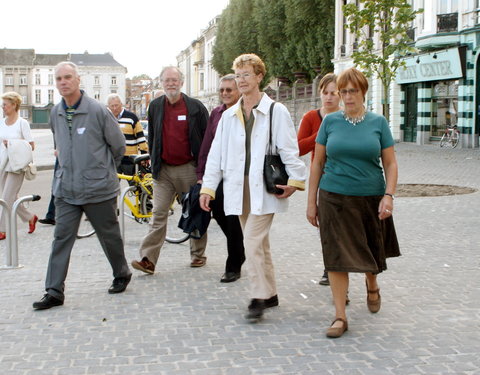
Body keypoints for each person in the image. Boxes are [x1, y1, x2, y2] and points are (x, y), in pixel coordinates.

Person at [199, 54, 306, 322]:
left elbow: (288, 148)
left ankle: (258, 296)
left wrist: (295, 180)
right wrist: (208, 188)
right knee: (260, 243)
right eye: (238, 75)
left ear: (259, 77)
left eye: (247, 74)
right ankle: (270, 294)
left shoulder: (275, 111)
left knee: (252, 240)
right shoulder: (228, 117)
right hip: (239, 187)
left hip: (264, 187)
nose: (242, 80)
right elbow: (216, 155)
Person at [306, 67, 400, 338]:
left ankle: (372, 284)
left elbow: (391, 163)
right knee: (336, 256)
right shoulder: (330, 122)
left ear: (363, 92)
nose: (347, 97)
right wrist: (311, 202)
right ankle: (339, 316)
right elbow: (318, 163)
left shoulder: (378, 123)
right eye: (343, 91)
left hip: (370, 197)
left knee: (371, 251)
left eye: (352, 91)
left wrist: (389, 195)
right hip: (333, 197)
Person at [33, 61, 131, 310]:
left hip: (97, 188)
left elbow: (118, 145)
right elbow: (61, 146)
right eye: (59, 79)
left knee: (108, 236)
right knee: (61, 238)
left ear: (78, 80)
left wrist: (103, 170)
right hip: (66, 189)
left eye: (68, 77)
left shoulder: (98, 110)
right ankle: (54, 290)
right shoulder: (55, 112)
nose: (63, 82)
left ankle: (121, 272)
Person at [131, 66, 208, 274]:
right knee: (158, 214)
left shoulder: (195, 107)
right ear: (162, 83)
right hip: (163, 171)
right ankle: (148, 259)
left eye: (174, 80)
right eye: (167, 80)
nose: (171, 83)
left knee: (195, 212)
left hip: (188, 169)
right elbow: (153, 137)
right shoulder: (155, 106)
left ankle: (198, 255)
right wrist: (153, 162)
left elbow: (206, 139)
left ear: (181, 83)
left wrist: (203, 171)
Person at [196, 74, 245, 283]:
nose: (224, 93)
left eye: (229, 90)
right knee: (217, 210)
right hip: (218, 173)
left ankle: (233, 264)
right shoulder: (216, 113)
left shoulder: (245, 112)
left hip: (239, 174)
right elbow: (208, 144)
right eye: (222, 90)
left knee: (233, 218)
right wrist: (202, 176)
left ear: (238, 91)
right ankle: (240, 248)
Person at [297, 73, 341, 286]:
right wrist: (321, 135)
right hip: (322, 179)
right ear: (319, 93)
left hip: (345, 179)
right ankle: (330, 267)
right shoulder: (311, 118)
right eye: (325, 93)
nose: (329, 97)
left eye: (334, 93)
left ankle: (338, 267)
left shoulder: (347, 117)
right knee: (327, 228)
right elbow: (298, 148)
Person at [0, 91, 38, 240]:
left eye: (5, 105)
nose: (2, 107)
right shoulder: (1, 122)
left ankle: (2, 229)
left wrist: (11, 144)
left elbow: (31, 145)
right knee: (10, 196)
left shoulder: (22, 123)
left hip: (17, 165)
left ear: (14, 105)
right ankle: (30, 217)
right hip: (3, 162)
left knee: (6, 196)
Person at [107, 94, 148, 176]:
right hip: (113, 159)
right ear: (108, 106)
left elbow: (140, 137)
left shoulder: (131, 117)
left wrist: (144, 156)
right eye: (112, 106)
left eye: (116, 105)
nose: (114, 108)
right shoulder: (107, 118)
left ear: (121, 104)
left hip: (129, 159)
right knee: (112, 186)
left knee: (133, 185)